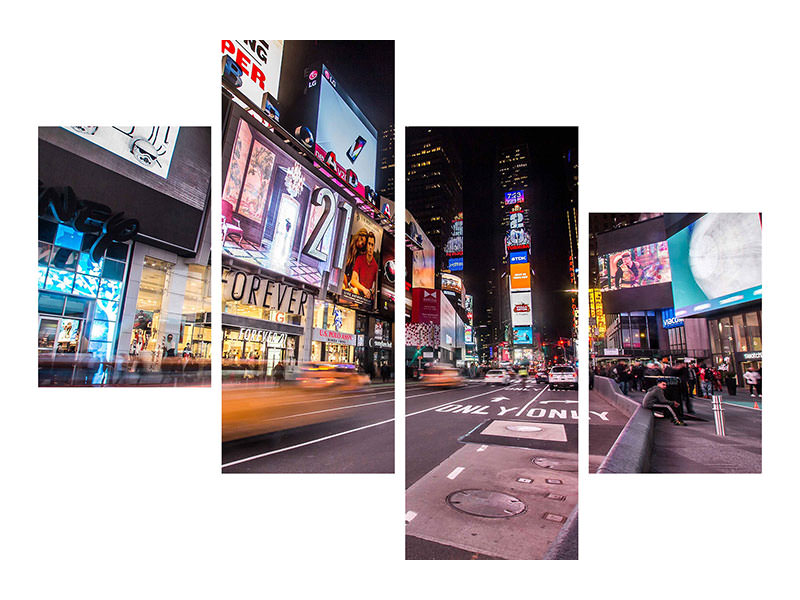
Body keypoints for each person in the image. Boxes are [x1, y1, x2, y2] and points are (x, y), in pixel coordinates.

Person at [348, 232, 379, 299]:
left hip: (367, 298)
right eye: (369, 244)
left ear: (374, 246)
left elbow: (375, 287)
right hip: (357, 294)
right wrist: (364, 289)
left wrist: (370, 292)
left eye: (372, 245)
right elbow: (353, 280)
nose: (370, 247)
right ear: (366, 245)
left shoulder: (375, 266)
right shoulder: (360, 259)